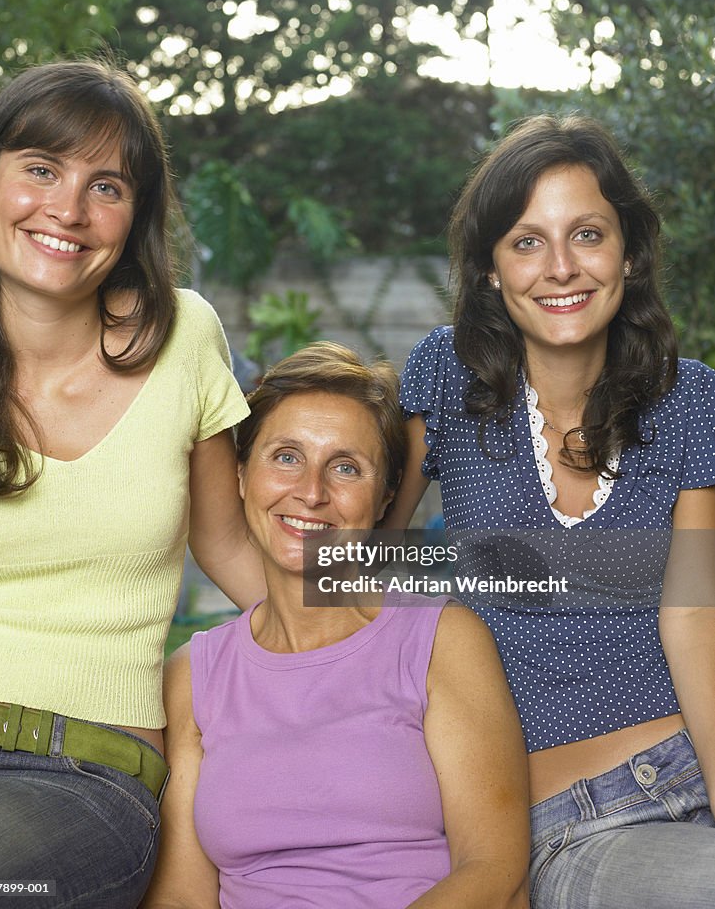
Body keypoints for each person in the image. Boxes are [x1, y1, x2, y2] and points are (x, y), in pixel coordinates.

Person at [0, 59, 265, 908]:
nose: (69, 209)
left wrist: (446, 600)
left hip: (79, 772)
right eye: (41, 170)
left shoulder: (183, 336)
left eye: (107, 186)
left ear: (134, 218)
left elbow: (232, 544)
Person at [386, 113, 715, 908]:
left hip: (680, 776)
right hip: (554, 825)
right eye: (526, 241)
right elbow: (367, 561)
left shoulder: (691, 399)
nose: (560, 267)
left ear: (628, 255)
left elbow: (693, 619)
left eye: (588, 235)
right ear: (492, 269)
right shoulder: (447, 375)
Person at [143, 342, 530, 909]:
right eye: (285, 456)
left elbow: (494, 871)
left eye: (346, 467)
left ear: (385, 497)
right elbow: (181, 893)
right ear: (242, 477)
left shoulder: (440, 640)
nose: (312, 492)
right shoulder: (193, 677)